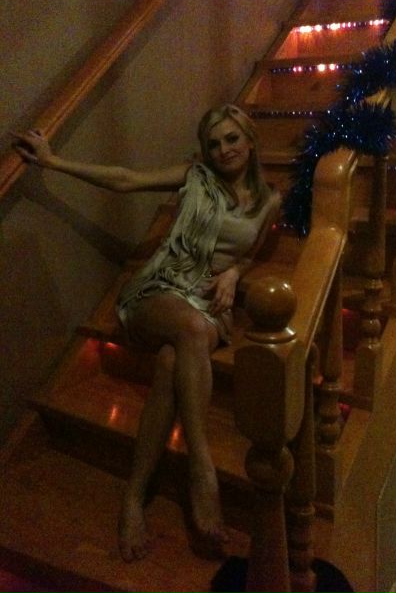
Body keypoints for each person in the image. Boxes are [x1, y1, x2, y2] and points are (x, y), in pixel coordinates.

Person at [13, 104, 281, 562]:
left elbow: (249, 252)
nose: (224, 150)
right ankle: (202, 467)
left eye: (232, 138)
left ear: (250, 139)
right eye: (214, 143)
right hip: (159, 292)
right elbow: (126, 179)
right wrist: (53, 161)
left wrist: (235, 272)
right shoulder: (195, 176)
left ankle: (134, 498)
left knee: (171, 362)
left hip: (208, 305)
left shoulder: (270, 199)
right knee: (190, 330)